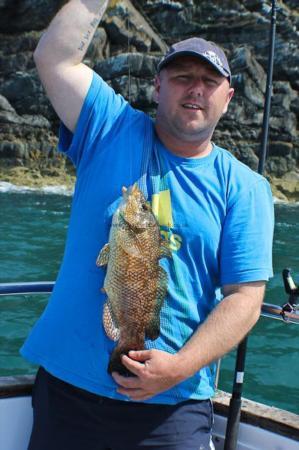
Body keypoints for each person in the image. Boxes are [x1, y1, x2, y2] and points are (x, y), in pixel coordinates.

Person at [21, 1, 274, 449]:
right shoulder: (110, 128)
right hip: (67, 392)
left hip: (171, 409)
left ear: (228, 98)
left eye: (209, 81)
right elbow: (54, 58)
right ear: (157, 87)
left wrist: (177, 367)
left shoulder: (246, 187)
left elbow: (245, 297)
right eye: (182, 78)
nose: (195, 89)